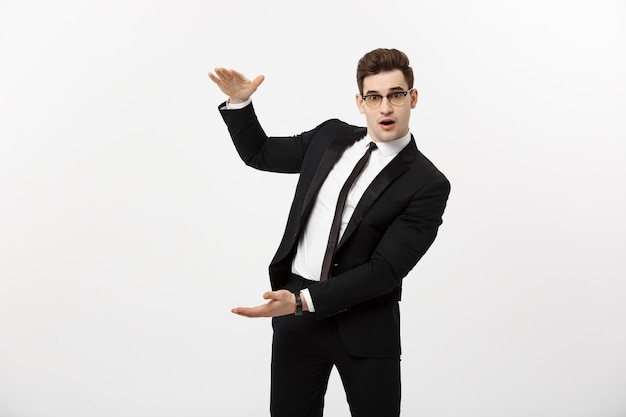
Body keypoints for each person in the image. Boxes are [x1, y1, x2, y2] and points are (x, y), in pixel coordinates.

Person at [209, 48, 450, 417]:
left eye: (396, 95)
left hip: (365, 328)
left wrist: (302, 301)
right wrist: (241, 103)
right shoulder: (329, 138)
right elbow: (259, 153)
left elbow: (384, 271)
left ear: (412, 98)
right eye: (374, 97)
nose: (385, 108)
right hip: (296, 323)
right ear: (360, 102)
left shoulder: (428, 183)